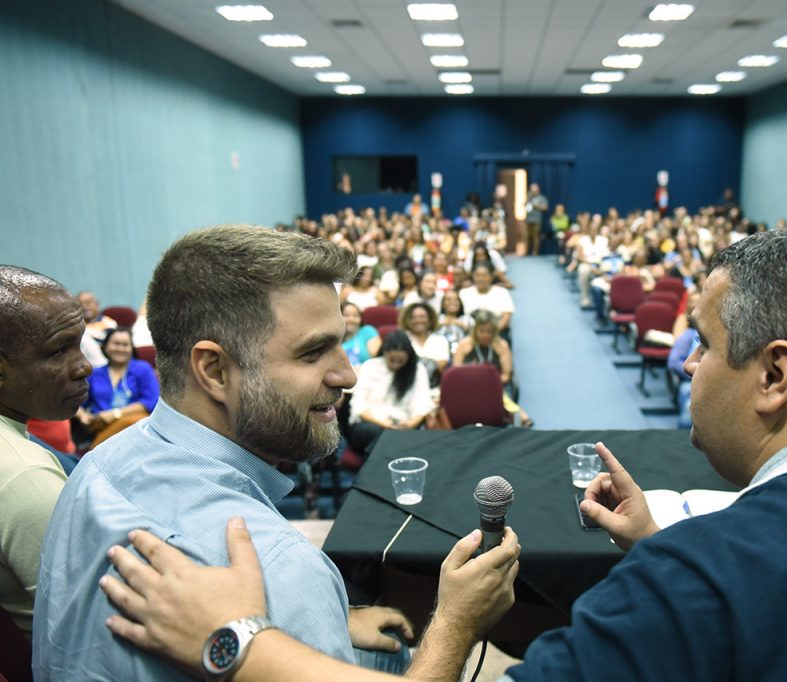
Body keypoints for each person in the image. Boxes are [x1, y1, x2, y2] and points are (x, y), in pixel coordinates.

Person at [97, 228, 787, 680]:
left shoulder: (700, 583)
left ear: (776, 375)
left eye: (699, 345)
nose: (687, 368)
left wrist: (239, 644)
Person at [34, 226, 519, 681]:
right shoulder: (282, 568)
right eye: (313, 353)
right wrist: (456, 622)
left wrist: (317, 621)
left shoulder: (93, 469)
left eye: (342, 346)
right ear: (215, 371)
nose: (347, 376)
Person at [0, 266, 92, 635]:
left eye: (78, 343)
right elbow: (94, 624)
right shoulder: (25, 474)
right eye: (58, 351)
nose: (84, 365)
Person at [346, 331, 435, 457]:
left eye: (401, 361)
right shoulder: (370, 366)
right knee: (379, 436)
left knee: (397, 440)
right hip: (371, 425)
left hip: (403, 426)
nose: (396, 365)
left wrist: (410, 424)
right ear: (384, 352)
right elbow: (359, 405)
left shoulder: (418, 370)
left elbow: (422, 404)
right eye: (392, 360)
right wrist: (384, 424)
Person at [76, 327, 160, 447]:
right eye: (116, 344)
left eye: (125, 345)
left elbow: (151, 402)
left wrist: (115, 414)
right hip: (100, 428)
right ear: (105, 347)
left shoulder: (142, 369)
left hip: (134, 429)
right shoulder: (95, 373)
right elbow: (77, 403)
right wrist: (83, 416)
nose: (120, 348)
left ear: (131, 348)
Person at [451, 310, 532, 427]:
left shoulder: (501, 345)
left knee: (496, 392)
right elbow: (455, 372)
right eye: (481, 331)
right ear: (475, 330)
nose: (485, 335)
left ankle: (516, 414)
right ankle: (520, 414)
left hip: (495, 385)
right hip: (467, 385)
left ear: (494, 332)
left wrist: (488, 381)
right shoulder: (464, 344)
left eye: (489, 332)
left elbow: (506, 375)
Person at [399, 303, 450, 384]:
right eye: (413, 317)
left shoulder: (440, 340)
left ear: (430, 319)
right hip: (406, 384)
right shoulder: (401, 339)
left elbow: (441, 365)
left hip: (433, 385)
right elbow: (400, 365)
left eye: (422, 317)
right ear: (407, 320)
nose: (418, 320)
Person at [459, 262, 515, 335]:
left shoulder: (502, 292)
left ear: (491, 276)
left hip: (495, 332)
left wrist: (490, 333)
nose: (481, 279)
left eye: (484, 275)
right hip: (468, 332)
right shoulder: (464, 293)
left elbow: (506, 316)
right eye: (477, 275)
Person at [341, 301, 381, 368]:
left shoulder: (368, 331)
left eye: (355, 316)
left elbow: (375, 360)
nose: (351, 319)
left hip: (367, 374)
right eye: (346, 315)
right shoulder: (333, 337)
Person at [524, 183, 548, 256]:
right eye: (531, 189)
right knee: (527, 236)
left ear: (538, 190)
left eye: (534, 189)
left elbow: (545, 207)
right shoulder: (529, 197)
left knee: (535, 236)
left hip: (537, 220)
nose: (532, 191)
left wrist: (536, 206)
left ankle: (535, 252)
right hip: (528, 220)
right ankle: (527, 252)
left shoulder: (541, 198)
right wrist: (528, 198)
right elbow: (525, 206)